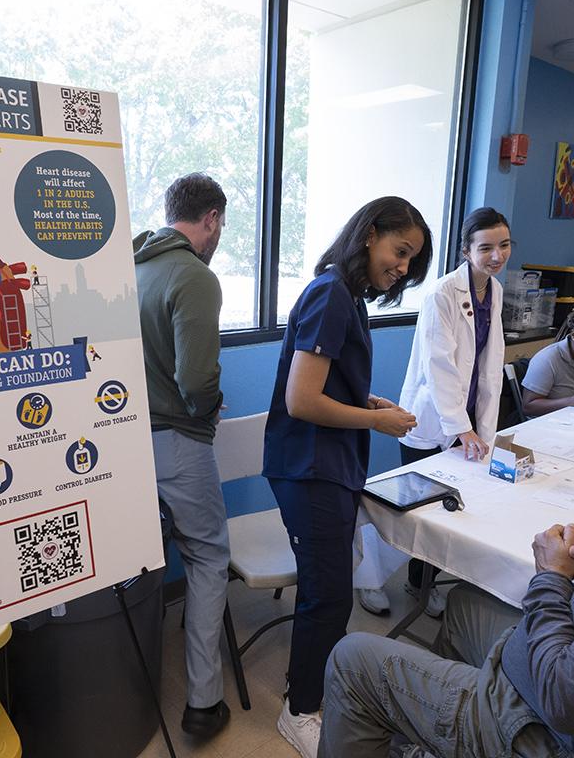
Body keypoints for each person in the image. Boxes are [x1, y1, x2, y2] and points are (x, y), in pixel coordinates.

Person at [320, 385, 574, 758]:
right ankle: (441, 736)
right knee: (466, 605)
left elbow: (567, 702)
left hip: (549, 732)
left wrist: (551, 579)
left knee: (352, 658)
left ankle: (473, 726)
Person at [262, 197, 433, 758]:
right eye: (400, 251)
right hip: (309, 468)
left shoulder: (346, 295)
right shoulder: (331, 293)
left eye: (412, 260)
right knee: (328, 596)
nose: (404, 268)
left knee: (334, 587)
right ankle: (300, 711)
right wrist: (378, 420)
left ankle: (311, 691)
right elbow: (302, 399)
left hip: (328, 466)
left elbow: (326, 382)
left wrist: (366, 400)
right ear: (370, 234)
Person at [132, 172, 231, 738]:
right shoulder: (193, 275)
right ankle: (202, 702)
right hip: (176, 442)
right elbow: (196, 379)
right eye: (220, 227)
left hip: (123, 441)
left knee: (143, 565)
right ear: (211, 219)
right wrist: (211, 404)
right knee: (208, 556)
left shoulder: (134, 266)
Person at [396, 207, 511, 616]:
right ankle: (374, 580)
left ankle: (421, 582)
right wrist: (462, 428)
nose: (496, 255)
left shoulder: (493, 290)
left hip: (465, 421)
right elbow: (439, 366)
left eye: (504, 245)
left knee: (448, 507)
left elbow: (488, 364)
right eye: (486, 248)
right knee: (413, 508)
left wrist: (482, 428)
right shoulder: (441, 294)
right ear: (466, 250)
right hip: (431, 420)